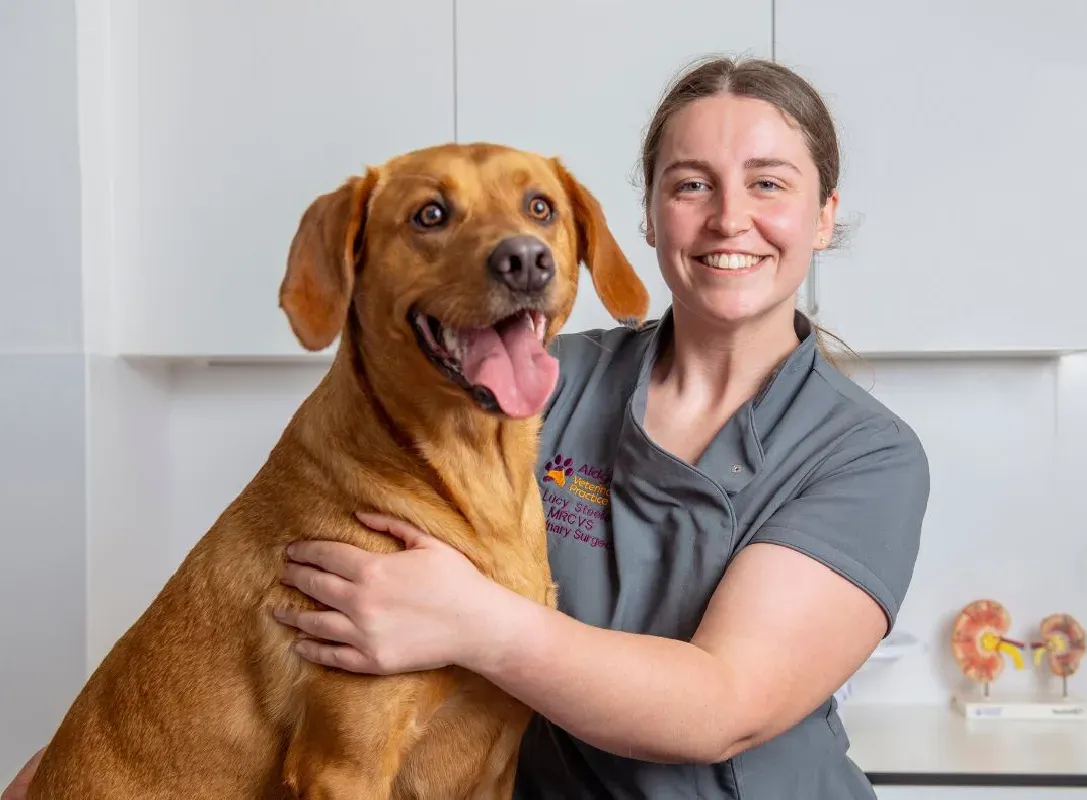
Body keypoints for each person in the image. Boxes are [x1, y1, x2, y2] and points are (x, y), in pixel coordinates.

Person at [3, 55, 928, 800]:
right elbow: (243, 633)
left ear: (824, 215)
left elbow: (725, 705)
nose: (731, 216)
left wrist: (476, 622)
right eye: (692, 185)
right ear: (645, 216)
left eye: (770, 183)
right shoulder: (528, 383)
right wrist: (86, 758)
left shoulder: (865, 455)